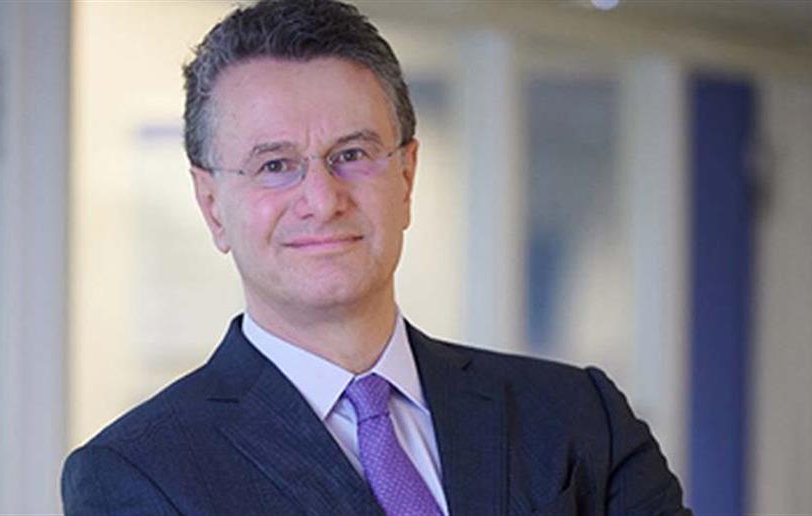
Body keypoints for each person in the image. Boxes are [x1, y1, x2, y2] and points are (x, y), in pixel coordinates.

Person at [61, 0, 690, 514]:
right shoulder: (140, 474)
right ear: (212, 205)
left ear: (406, 176)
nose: (321, 200)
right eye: (274, 165)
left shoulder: (577, 416)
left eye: (352, 155)